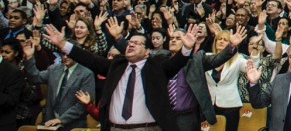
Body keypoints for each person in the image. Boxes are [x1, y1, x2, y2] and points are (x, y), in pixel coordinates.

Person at [44, 23, 200, 131]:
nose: (131, 45)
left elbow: (175, 64)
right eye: (129, 42)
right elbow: (89, 59)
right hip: (114, 128)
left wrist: (186, 48)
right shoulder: (116, 65)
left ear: (147, 52)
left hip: (147, 128)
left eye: (137, 43)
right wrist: (63, 44)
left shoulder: (156, 67)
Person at [21, 36, 96, 131]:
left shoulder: (86, 74)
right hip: (50, 124)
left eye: (68, 54)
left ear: (76, 54)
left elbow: (82, 105)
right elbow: (35, 78)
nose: (65, 57)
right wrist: (29, 58)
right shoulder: (54, 69)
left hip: (73, 126)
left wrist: (61, 120)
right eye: (63, 54)